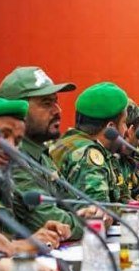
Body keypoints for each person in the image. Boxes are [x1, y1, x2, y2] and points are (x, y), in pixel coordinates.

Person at [0, 66, 102, 241]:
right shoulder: (9, 158)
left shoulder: (41, 154)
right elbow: (52, 221)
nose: (57, 110)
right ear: (17, 112)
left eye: (55, 101)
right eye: (46, 103)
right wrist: (92, 223)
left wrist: (94, 213)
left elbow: (74, 203)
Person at [0, 97, 71, 253]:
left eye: (17, 141)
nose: (11, 148)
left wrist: (37, 237)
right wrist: (12, 246)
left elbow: (5, 239)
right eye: (3, 136)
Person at [49, 82, 131, 215]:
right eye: (124, 123)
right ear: (111, 128)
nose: (126, 130)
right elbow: (97, 211)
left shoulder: (71, 142)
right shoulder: (88, 153)